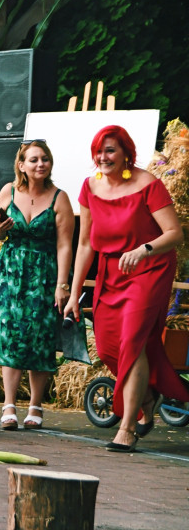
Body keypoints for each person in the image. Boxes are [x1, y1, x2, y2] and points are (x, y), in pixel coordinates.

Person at [63, 125, 189, 452]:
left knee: (133, 342)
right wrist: (74, 292)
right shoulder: (90, 187)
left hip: (149, 269)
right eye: (99, 151)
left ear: (126, 154)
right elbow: (85, 243)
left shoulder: (149, 185)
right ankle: (147, 397)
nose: (103, 157)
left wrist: (143, 249)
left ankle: (127, 427)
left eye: (110, 150)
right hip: (110, 272)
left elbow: (174, 233)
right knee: (108, 348)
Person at [0, 140, 74, 430]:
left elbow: (64, 245)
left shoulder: (59, 198)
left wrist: (63, 284)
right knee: (9, 334)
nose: (40, 164)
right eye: (34, 159)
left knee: (40, 336)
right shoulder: (7, 191)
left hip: (44, 273)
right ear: (21, 165)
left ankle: (36, 405)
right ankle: (9, 404)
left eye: (45, 159)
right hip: (11, 272)